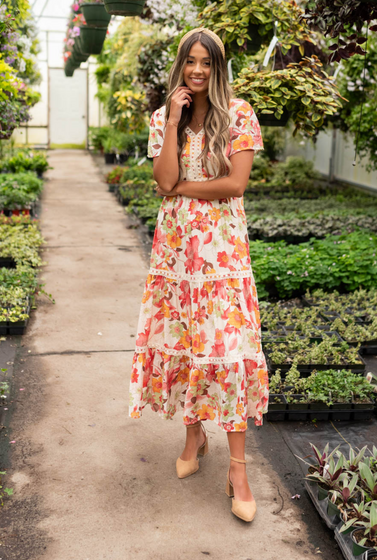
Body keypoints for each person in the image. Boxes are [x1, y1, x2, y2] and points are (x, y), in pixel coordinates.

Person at [129, 26, 269, 523]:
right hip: (176, 256)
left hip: (223, 258)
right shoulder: (164, 117)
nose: (197, 70)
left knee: (230, 354)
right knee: (187, 344)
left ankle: (238, 470)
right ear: (180, 66)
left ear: (218, 67)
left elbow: (235, 184)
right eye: (190, 61)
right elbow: (162, 180)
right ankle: (193, 437)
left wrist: (184, 188)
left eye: (206, 62)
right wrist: (172, 121)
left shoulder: (240, 115)